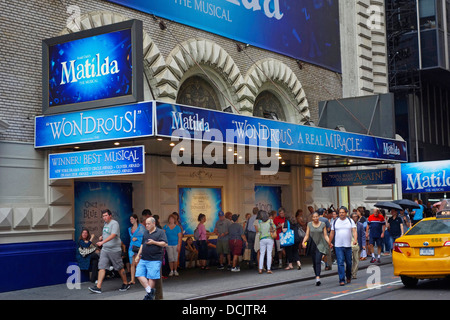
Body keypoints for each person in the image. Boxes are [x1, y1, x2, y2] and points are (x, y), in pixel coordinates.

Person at [89, 209, 130, 294]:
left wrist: (102, 242)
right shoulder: (105, 224)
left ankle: (125, 283)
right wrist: (102, 237)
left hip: (114, 250)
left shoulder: (114, 223)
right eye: (103, 216)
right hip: (105, 249)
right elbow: (107, 234)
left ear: (110, 216)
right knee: (102, 266)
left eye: (106, 215)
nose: (104, 217)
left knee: (119, 267)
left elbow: (113, 235)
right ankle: (98, 287)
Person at [135, 217, 168, 300]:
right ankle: (150, 292)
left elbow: (165, 244)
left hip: (155, 259)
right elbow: (142, 244)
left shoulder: (160, 232)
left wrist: (154, 242)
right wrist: (138, 255)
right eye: (146, 224)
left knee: (152, 277)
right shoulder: (145, 233)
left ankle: (149, 296)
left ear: (154, 223)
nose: (147, 225)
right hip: (144, 258)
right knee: (139, 274)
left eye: (149, 224)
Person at [329, 206, 357, 286]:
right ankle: (341, 279)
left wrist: (355, 240)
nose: (341, 214)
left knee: (349, 263)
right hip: (338, 246)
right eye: (340, 212)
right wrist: (329, 242)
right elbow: (332, 232)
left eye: (343, 212)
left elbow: (354, 231)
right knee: (340, 262)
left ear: (346, 213)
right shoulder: (335, 221)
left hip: (348, 245)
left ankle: (348, 276)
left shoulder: (350, 221)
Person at [302, 212, 330, 286]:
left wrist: (329, 242)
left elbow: (325, 235)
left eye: (316, 217)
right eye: (314, 217)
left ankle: (318, 278)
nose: (315, 218)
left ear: (318, 217)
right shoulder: (309, 224)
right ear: (312, 218)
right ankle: (316, 274)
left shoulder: (323, 224)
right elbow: (307, 235)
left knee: (318, 260)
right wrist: (303, 241)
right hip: (312, 244)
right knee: (314, 262)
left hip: (320, 244)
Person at [255, 210, 276, 274]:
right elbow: (274, 228)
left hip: (262, 239)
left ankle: (260, 269)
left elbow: (259, 230)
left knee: (262, 254)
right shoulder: (270, 221)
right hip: (269, 238)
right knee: (269, 254)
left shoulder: (259, 222)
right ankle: (268, 269)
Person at [128, 214, 145, 285]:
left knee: (138, 263)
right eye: (130, 219)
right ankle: (132, 279)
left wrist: (137, 238)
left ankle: (141, 278)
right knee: (132, 263)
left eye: (132, 219)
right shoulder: (129, 229)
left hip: (138, 247)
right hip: (132, 246)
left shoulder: (141, 227)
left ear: (136, 219)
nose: (131, 220)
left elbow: (144, 237)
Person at [350, 212, 366, 279]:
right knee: (350, 260)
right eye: (353, 217)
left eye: (356, 216)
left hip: (357, 245)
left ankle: (354, 273)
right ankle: (350, 272)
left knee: (356, 260)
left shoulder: (360, 225)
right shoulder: (348, 225)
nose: (355, 218)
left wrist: (363, 244)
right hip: (349, 245)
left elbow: (363, 235)